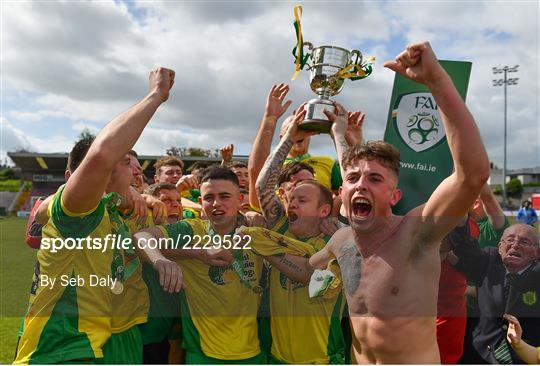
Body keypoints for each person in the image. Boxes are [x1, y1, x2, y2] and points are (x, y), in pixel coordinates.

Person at [308, 41, 490, 363]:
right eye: (352, 181)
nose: (360, 185)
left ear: (395, 196)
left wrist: (437, 83)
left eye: (375, 180)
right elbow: (313, 262)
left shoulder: (416, 235)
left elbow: (471, 175)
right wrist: (339, 134)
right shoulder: (342, 240)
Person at [15, 67, 176, 364]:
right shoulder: (78, 211)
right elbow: (101, 156)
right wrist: (156, 96)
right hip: (62, 347)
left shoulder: (114, 210)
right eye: (127, 161)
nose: (137, 169)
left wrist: (137, 193)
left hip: (100, 339)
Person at [134, 166, 267, 364]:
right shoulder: (190, 230)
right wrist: (164, 259)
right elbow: (140, 237)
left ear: (240, 199)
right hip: (202, 354)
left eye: (224, 196)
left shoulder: (256, 230)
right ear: (199, 202)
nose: (216, 204)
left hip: (252, 353)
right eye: (209, 198)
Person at [255, 107, 345, 364]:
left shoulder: (336, 241)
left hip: (322, 359)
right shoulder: (281, 227)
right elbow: (262, 186)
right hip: (278, 357)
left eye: (302, 199)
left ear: (324, 210)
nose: (292, 203)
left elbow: (315, 282)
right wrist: (288, 139)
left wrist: (339, 134)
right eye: (290, 198)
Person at [449, 223, 540, 364]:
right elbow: (466, 249)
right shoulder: (488, 260)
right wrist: (460, 222)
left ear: (537, 253)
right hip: (480, 352)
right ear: (499, 248)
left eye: (524, 241)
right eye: (510, 240)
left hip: (527, 355)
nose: (515, 245)